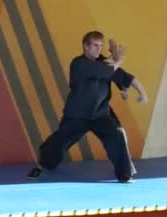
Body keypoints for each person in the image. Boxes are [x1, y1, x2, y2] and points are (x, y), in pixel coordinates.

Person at [27, 31, 148, 183]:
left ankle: (124, 174)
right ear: (86, 46)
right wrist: (117, 60)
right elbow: (106, 70)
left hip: (100, 115)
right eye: (95, 45)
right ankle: (42, 165)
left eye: (101, 46)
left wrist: (143, 94)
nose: (99, 49)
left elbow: (127, 77)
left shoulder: (106, 62)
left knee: (116, 136)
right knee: (59, 141)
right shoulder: (78, 64)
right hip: (77, 115)